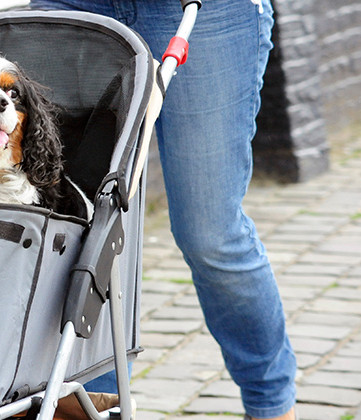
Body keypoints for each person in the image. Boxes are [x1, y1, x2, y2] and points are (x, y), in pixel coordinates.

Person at [28, 1, 297, 419]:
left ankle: (271, 404)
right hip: (75, 4)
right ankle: (96, 403)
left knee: (210, 235)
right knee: (77, 223)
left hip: (204, 12)